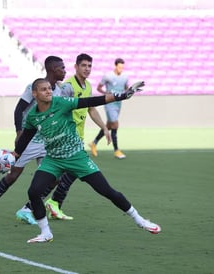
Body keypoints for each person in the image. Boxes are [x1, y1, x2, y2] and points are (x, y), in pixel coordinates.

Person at [13, 78, 161, 243]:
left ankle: (140, 220)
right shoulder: (33, 115)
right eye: (43, 89)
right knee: (34, 192)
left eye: (49, 88)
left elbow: (92, 101)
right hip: (53, 159)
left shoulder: (62, 102)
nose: (48, 91)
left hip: (76, 157)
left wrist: (122, 96)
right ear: (34, 93)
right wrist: (15, 154)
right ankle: (46, 233)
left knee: (107, 191)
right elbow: (26, 136)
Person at [0, 56, 68, 226]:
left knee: (54, 178)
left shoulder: (58, 91)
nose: (65, 71)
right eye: (62, 68)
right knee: (13, 176)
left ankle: (27, 209)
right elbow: (19, 109)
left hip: (46, 141)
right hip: (28, 140)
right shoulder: (34, 88)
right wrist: (19, 132)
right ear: (53, 69)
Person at [44, 53, 111, 220]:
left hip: (77, 136)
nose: (87, 69)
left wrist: (104, 127)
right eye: (84, 66)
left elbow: (91, 109)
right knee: (63, 174)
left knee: (67, 174)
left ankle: (53, 204)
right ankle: (36, 205)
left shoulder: (87, 86)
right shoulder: (68, 86)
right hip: (65, 137)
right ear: (76, 67)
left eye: (89, 66)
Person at [89, 58, 129, 159]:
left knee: (110, 126)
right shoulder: (108, 76)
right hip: (110, 103)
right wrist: (106, 94)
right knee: (115, 125)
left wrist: (130, 91)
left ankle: (94, 143)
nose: (121, 69)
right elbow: (99, 87)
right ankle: (116, 150)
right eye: (120, 67)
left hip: (118, 104)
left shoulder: (125, 77)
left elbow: (126, 88)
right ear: (115, 66)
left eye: (122, 67)